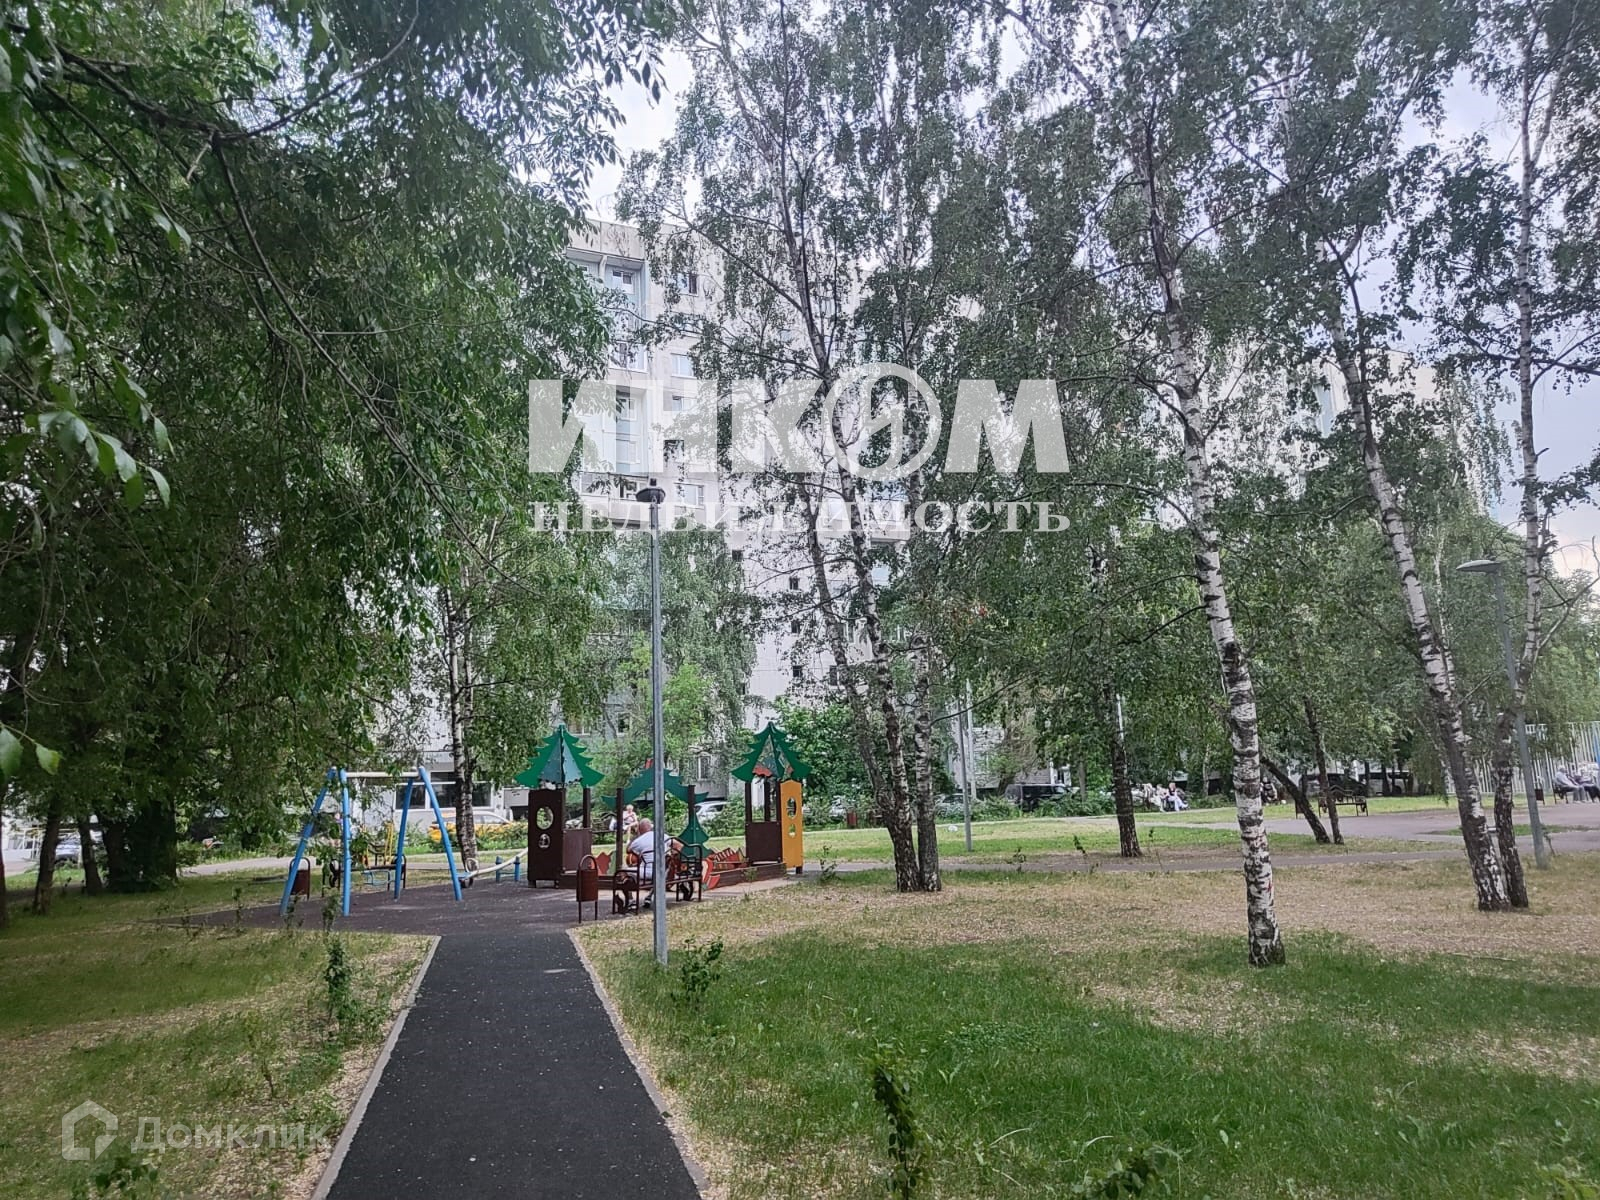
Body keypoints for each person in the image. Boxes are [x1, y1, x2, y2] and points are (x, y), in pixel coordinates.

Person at [626, 819, 681, 906]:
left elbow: (628, 850)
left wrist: (635, 837)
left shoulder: (639, 841)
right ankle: (649, 896)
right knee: (658, 876)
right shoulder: (662, 835)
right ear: (650, 827)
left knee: (623, 872)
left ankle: (630, 900)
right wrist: (673, 854)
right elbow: (679, 845)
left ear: (639, 829)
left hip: (648, 872)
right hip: (664, 871)